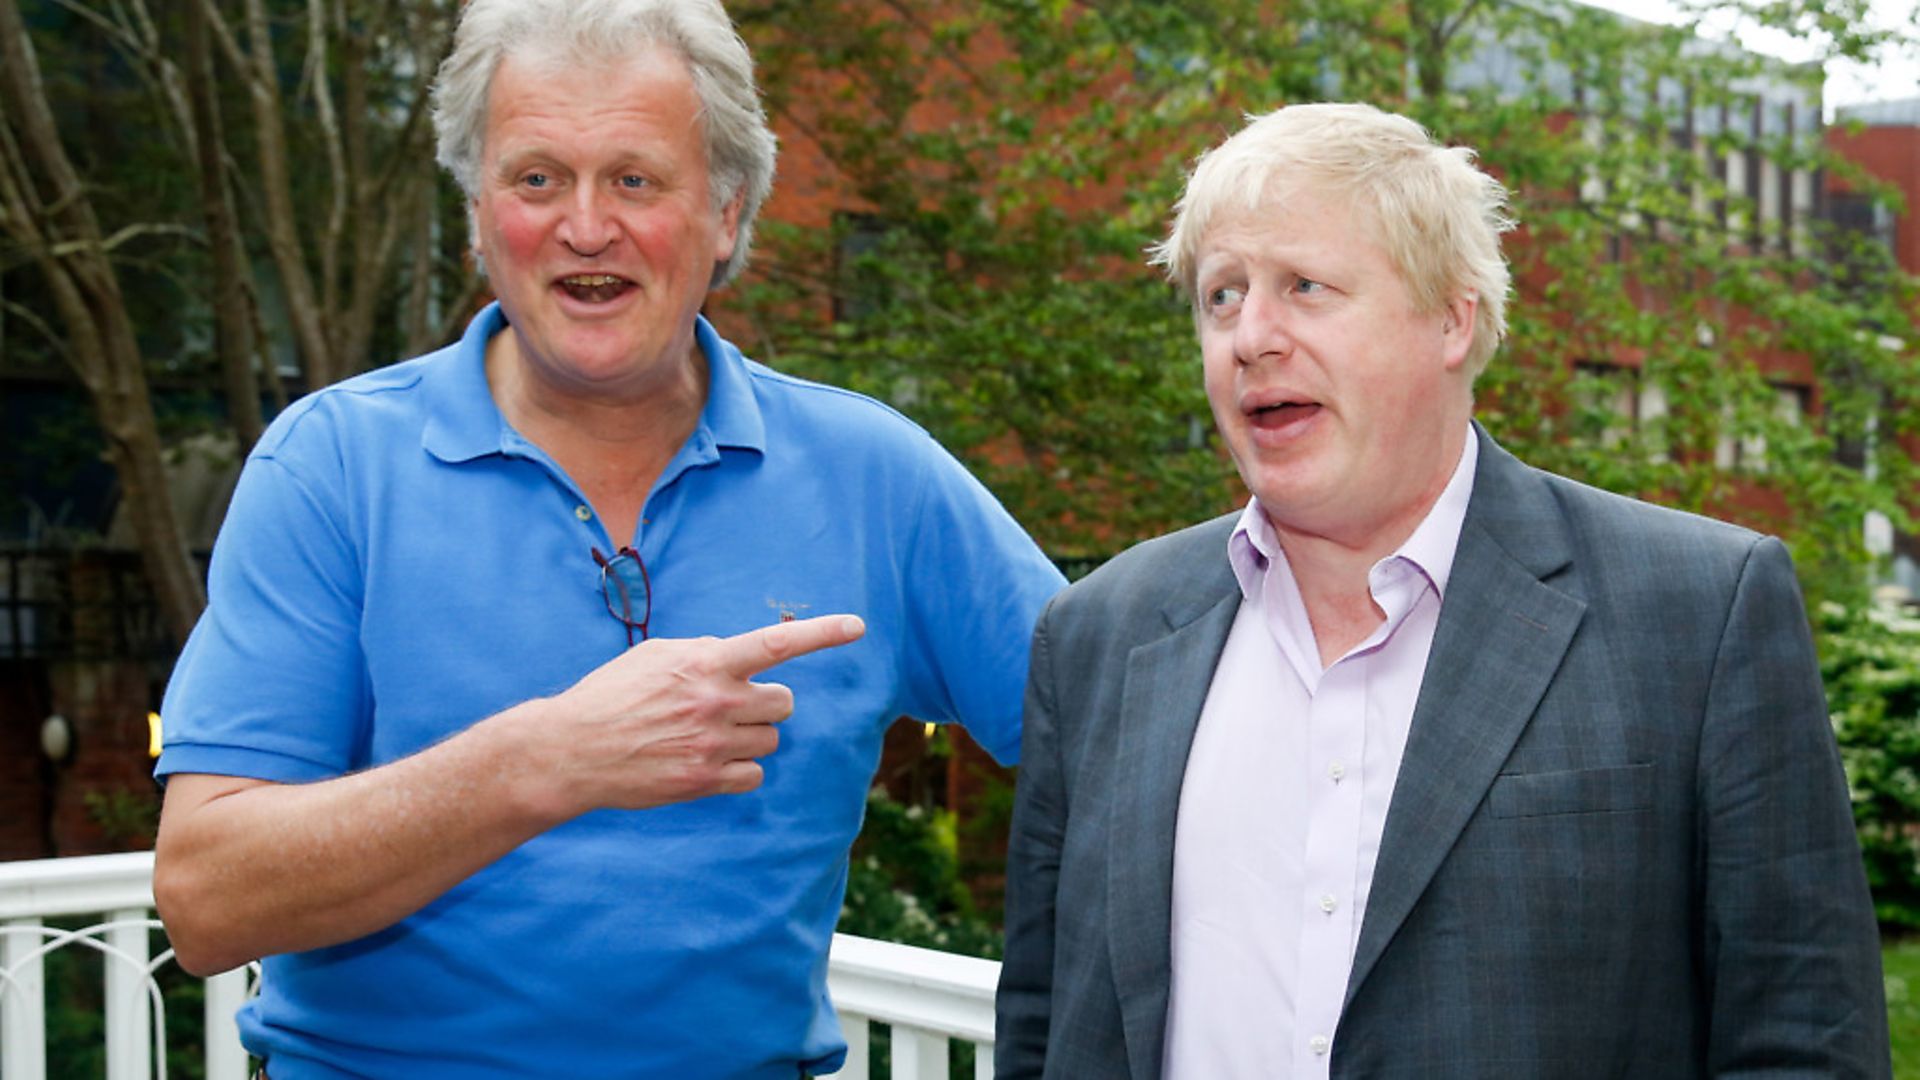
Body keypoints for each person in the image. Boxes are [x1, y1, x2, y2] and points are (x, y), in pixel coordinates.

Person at [151, 1, 1064, 1075]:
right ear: (479, 218)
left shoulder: (877, 477)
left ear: (727, 214)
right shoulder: (331, 468)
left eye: (635, 179)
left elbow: (1129, 745)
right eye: (538, 179)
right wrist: (546, 759)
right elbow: (207, 901)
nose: (587, 226)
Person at [994, 102, 1890, 1078]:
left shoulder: (1700, 614)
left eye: (1305, 286)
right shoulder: (1096, 638)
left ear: (1451, 319)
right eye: (1221, 296)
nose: (1251, 336)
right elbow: (1045, 1024)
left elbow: (1807, 1041)